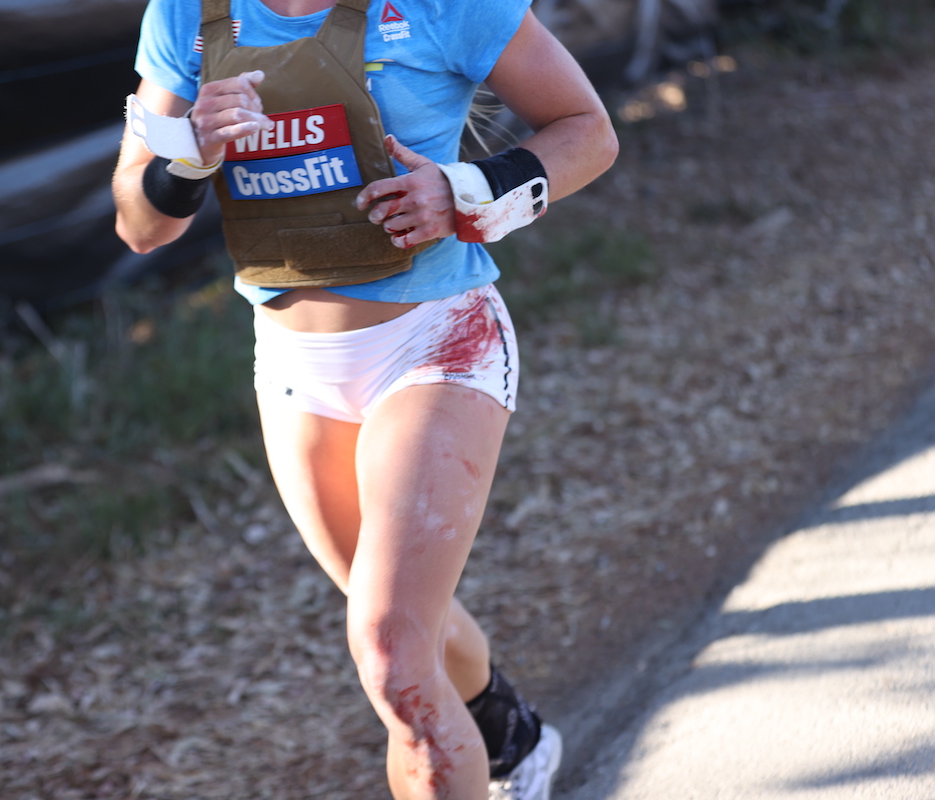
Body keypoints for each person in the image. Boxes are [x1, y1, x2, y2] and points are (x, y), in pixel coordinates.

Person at [112, 0, 616, 797]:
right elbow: (140, 226)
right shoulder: (184, 14)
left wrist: (465, 192)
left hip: (436, 341)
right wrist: (191, 157)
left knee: (387, 649)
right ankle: (512, 739)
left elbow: (588, 131)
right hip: (294, 363)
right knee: (397, 614)